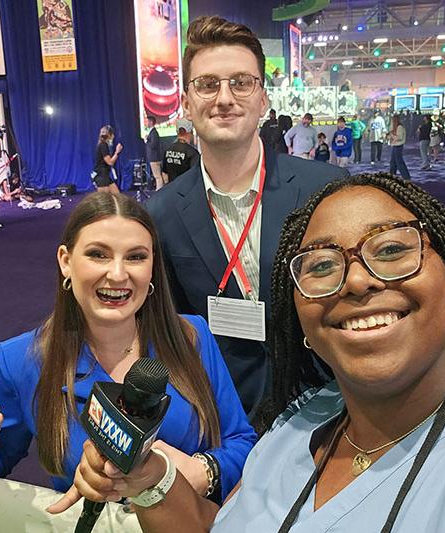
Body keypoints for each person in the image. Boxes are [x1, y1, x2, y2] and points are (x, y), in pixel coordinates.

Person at [63, 174, 445, 533]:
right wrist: (151, 476)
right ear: (301, 321)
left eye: (392, 249)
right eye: (322, 265)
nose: (356, 281)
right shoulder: (294, 430)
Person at [0, 192, 257, 508]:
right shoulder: (20, 362)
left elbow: (242, 442)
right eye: (98, 254)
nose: (118, 274)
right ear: (66, 261)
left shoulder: (191, 336)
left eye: (136, 257)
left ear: (153, 266)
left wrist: (203, 473)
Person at [145, 16, 347, 419]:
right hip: (225, 417)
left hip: (333, 407)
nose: (224, 98)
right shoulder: (160, 213)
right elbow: (169, 330)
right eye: (207, 84)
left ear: (263, 99)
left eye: (241, 82)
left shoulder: (324, 189)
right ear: (186, 102)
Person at [94, 125, 123, 194]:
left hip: (106, 176)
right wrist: (117, 152)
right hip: (101, 177)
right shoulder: (103, 145)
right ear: (110, 135)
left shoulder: (103, 145)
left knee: (117, 196)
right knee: (104, 201)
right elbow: (110, 162)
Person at [388, 114, 411, 179]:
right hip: (394, 145)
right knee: (393, 163)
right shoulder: (394, 127)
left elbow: (399, 137)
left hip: (398, 146)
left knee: (399, 162)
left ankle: (406, 177)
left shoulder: (400, 127)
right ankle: (392, 176)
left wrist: (391, 135)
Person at [145, 116, 164, 190]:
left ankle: (159, 191)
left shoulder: (154, 133)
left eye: (147, 121)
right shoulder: (152, 132)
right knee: (157, 176)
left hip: (154, 158)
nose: (146, 123)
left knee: (157, 176)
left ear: (151, 122)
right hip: (154, 158)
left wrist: (146, 141)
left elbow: (153, 145)